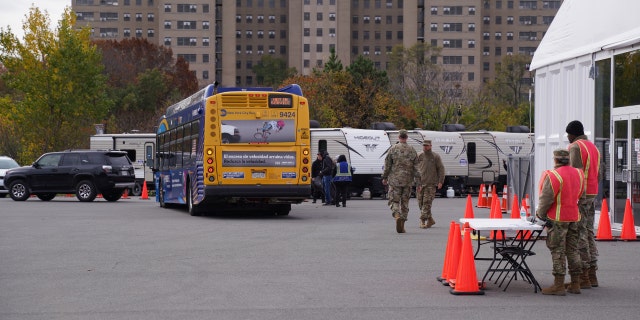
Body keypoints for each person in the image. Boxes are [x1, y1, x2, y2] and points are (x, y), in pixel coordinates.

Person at [535, 148, 585, 296]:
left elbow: (546, 199)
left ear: (555, 160)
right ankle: (576, 283)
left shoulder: (554, 176)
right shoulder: (579, 174)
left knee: (558, 251)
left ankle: (559, 285)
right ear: (568, 159)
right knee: (573, 250)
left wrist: (540, 214)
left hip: (557, 218)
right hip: (574, 216)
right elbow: (580, 194)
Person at [566, 120, 602, 288]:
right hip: (592, 192)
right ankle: (593, 273)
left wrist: (571, 195)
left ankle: (583, 276)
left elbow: (574, 172)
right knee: (588, 231)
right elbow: (599, 171)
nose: (567, 137)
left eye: (568, 134)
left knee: (579, 232)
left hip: (581, 194)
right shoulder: (593, 147)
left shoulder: (575, 147)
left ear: (573, 134)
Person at [381, 129, 420, 233]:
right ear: (406, 137)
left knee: (394, 201)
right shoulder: (412, 150)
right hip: (408, 181)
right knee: (405, 203)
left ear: (399, 137)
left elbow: (387, 165)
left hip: (395, 181)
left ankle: (397, 215)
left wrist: (384, 177)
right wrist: (418, 182)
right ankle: (402, 224)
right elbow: (417, 167)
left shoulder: (393, 149)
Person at [416, 140, 445, 229]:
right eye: (424, 145)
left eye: (427, 146)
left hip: (431, 184)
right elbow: (415, 169)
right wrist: (417, 182)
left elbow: (441, 169)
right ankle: (430, 219)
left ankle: (422, 220)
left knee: (427, 203)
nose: (425, 147)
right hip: (421, 183)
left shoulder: (435, 156)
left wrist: (440, 181)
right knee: (420, 203)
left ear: (431, 146)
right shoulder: (419, 155)